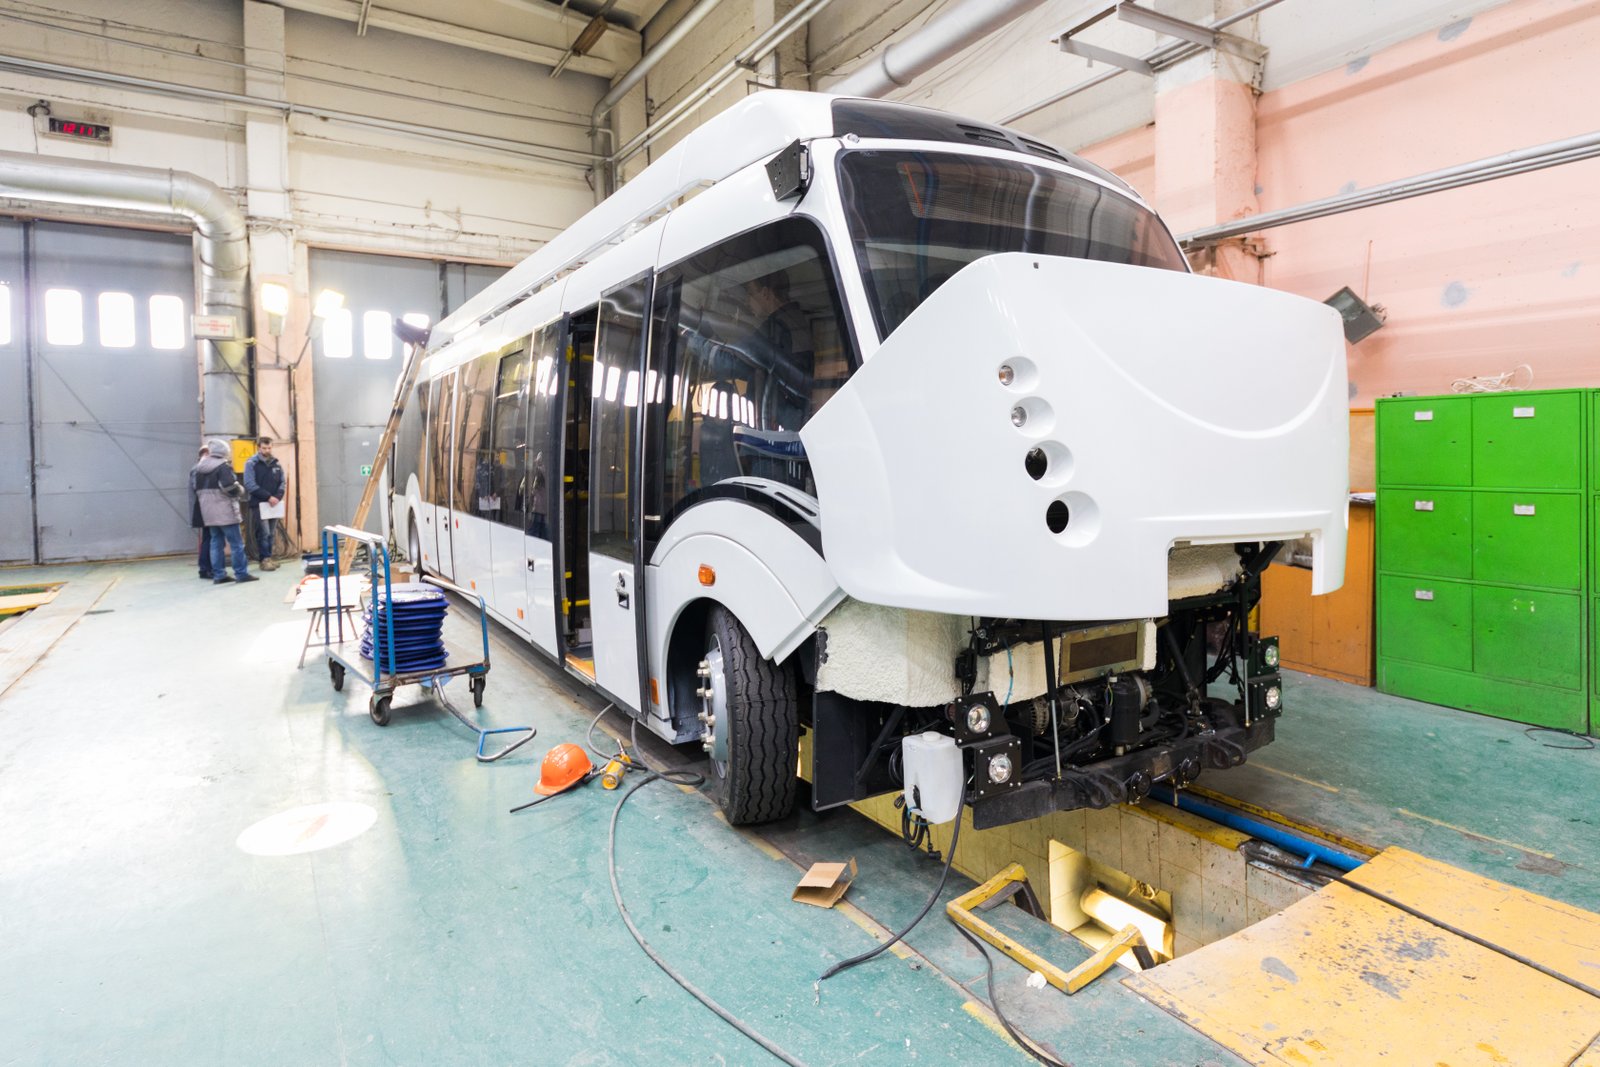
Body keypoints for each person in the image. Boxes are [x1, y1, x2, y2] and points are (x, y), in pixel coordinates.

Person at [194, 439, 258, 585]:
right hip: (225, 512)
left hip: (208, 512)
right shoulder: (222, 467)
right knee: (236, 543)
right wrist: (240, 490)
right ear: (223, 452)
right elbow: (229, 487)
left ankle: (219, 575)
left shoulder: (199, 468)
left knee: (216, 543)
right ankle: (241, 574)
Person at [243, 437, 286, 571]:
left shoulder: (276, 464)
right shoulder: (251, 464)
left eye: (269, 448)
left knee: (272, 533)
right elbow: (249, 484)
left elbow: (282, 482)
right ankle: (264, 559)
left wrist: (277, 497)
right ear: (258, 448)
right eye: (264, 448)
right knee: (264, 533)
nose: (267, 451)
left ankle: (270, 557)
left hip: (274, 504)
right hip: (260, 504)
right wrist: (268, 497)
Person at [189, 445, 214, 579]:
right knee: (209, 539)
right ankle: (205, 568)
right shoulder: (197, 470)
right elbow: (197, 487)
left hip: (205, 508)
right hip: (202, 508)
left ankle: (205, 568)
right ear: (203, 455)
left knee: (208, 538)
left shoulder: (200, 469)